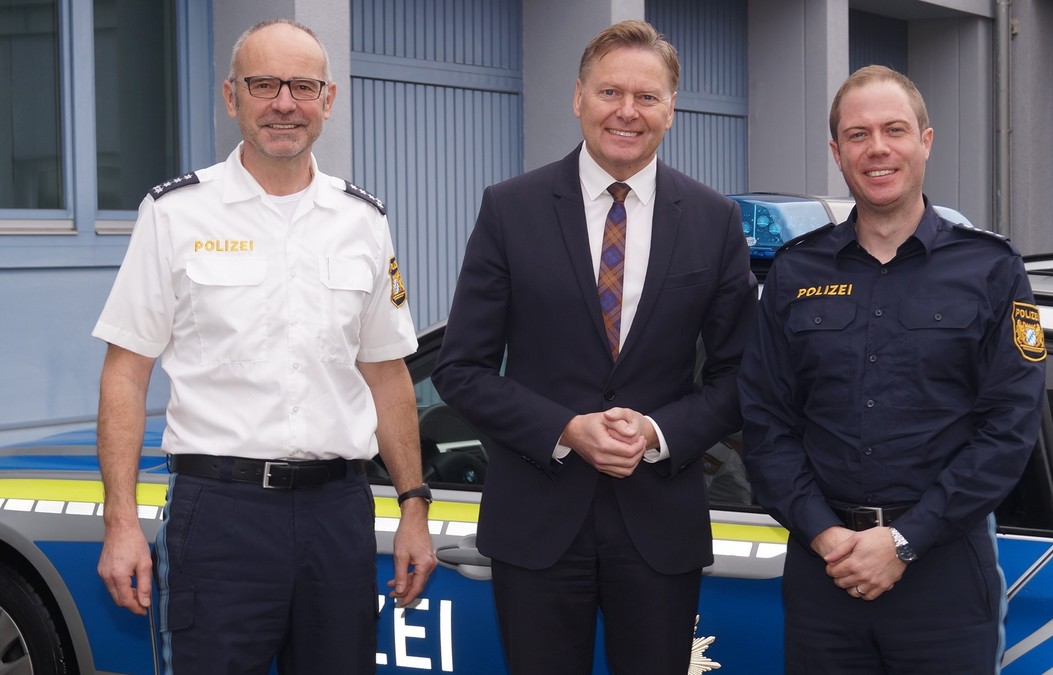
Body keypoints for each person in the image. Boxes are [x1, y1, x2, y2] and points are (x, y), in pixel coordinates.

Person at [92, 19, 435, 675]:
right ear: (231, 97)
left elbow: (388, 375)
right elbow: (126, 374)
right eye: (264, 84)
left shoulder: (363, 221)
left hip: (339, 516)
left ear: (328, 99)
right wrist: (122, 521)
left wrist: (413, 507)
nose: (285, 103)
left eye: (303, 86)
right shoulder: (175, 214)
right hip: (220, 516)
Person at [431, 19, 757, 675]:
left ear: (672, 109)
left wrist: (660, 432)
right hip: (537, 525)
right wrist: (565, 428)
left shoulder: (714, 219)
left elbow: (741, 377)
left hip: (659, 524)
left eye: (647, 96)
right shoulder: (509, 208)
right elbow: (459, 368)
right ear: (578, 97)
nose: (627, 112)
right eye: (610, 92)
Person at [738, 65, 1046, 674]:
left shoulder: (991, 268)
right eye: (857, 135)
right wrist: (827, 536)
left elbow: (1010, 426)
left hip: (945, 572)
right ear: (836, 151)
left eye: (894, 130)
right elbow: (765, 424)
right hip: (824, 571)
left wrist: (904, 542)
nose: (877, 149)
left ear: (925, 141)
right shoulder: (795, 274)